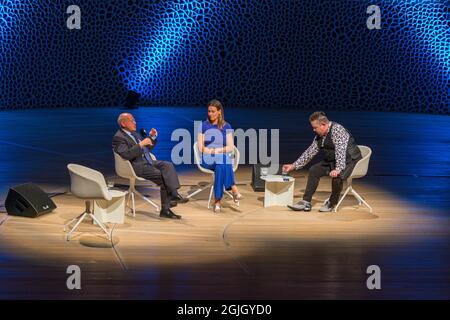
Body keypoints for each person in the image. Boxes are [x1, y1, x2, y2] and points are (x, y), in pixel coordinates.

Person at [112, 113, 188, 219]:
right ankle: (168, 205)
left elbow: (146, 150)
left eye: (134, 119)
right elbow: (126, 155)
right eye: (131, 120)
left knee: (167, 165)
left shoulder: (135, 134)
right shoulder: (118, 137)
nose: (135, 122)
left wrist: (152, 137)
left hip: (147, 161)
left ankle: (173, 196)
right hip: (136, 166)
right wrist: (141, 144)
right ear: (123, 123)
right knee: (162, 176)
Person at [283, 111, 362, 212]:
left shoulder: (337, 130)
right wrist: (293, 166)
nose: (313, 130)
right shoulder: (320, 136)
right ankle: (306, 202)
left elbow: (340, 150)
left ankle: (332, 203)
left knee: (338, 176)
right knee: (314, 170)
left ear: (323, 125)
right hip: (333, 160)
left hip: (350, 160)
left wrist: (338, 169)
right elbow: (310, 152)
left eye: (315, 127)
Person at [197, 99, 242, 213]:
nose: (210, 114)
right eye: (209, 111)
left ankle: (217, 201)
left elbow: (231, 147)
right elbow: (201, 148)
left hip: (220, 157)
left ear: (219, 112)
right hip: (207, 158)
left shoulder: (226, 126)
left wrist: (216, 150)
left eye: (213, 111)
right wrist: (215, 152)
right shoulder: (203, 126)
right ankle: (233, 188)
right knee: (224, 158)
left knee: (220, 166)